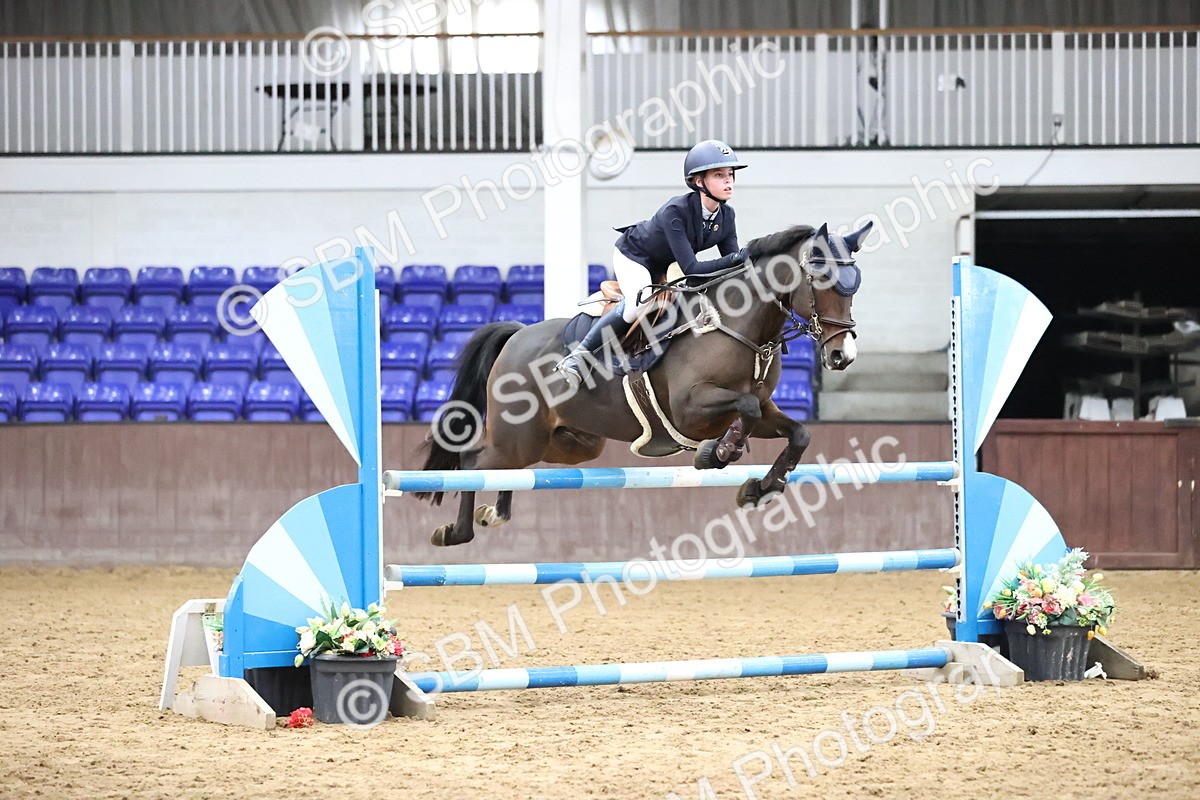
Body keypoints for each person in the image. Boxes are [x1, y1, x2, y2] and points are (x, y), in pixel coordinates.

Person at [556, 139, 751, 387]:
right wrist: (736, 258)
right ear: (699, 182)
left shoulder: (726, 216)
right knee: (639, 304)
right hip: (636, 256)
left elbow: (730, 267)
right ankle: (577, 357)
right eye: (719, 175)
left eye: (730, 175)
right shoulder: (675, 211)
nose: (728, 181)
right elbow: (693, 270)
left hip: (668, 263)